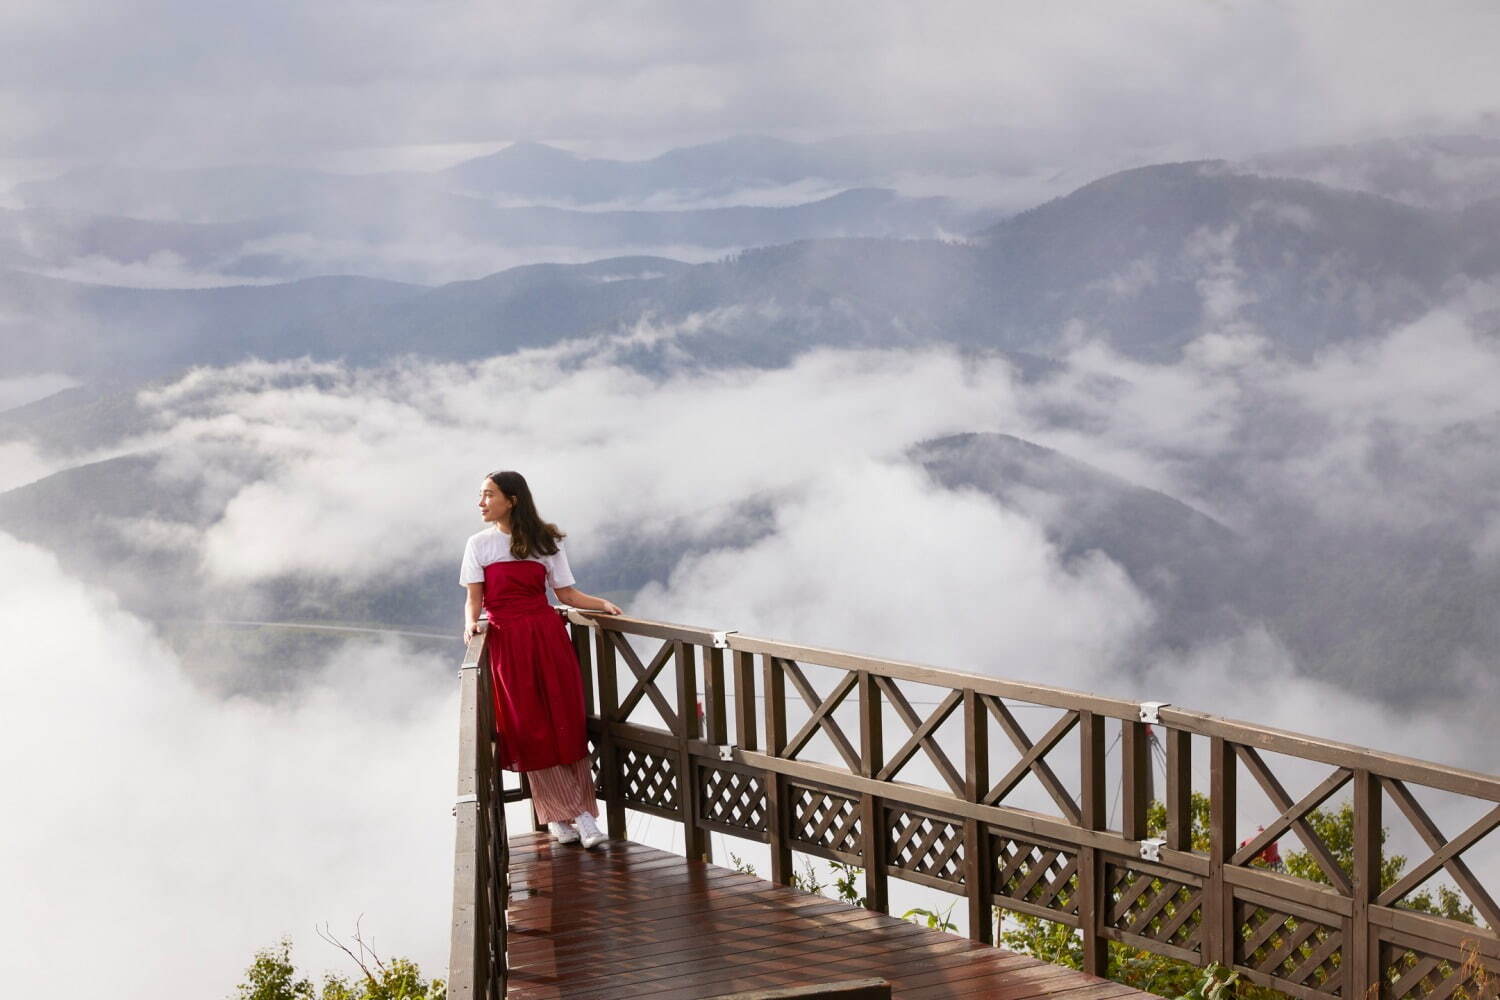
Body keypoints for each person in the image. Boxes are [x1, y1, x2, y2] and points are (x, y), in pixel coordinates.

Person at [460, 470, 621, 849]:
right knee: (530, 727)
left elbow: (565, 593)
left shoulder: (545, 541)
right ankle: (561, 815)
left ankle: (581, 815)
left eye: (488, 495)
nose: (481, 503)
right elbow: (474, 600)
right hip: (507, 642)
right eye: (481, 496)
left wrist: (600, 605)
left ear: (512, 499)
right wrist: (471, 624)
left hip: (546, 636)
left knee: (563, 720)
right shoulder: (479, 544)